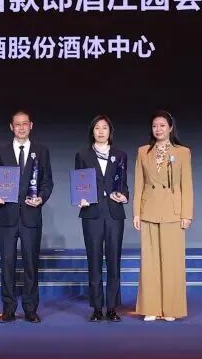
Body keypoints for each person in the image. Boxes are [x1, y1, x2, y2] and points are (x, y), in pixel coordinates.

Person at [0, 110, 54, 323]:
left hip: (31, 216)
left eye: (25, 124)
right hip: (7, 216)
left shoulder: (41, 151)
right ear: (11, 127)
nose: (22, 127)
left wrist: (41, 198)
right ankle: (8, 309)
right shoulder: (1, 150)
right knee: (7, 263)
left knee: (31, 264)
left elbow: (47, 181)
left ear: (31, 125)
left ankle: (30, 309)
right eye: (17, 124)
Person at [132, 110, 193, 321]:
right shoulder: (142, 152)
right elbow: (139, 184)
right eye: (155, 126)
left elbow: (187, 185)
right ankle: (151, 308)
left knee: (172, 261)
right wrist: (136, 213)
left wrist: (187, 214)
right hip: (149, 210)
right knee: (149, 262)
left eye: (162, 125)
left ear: (170, 128)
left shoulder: (182, 152)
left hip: (173, 212)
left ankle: (171, 309)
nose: (158, 129)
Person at [75, 114, 129, 322]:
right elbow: (79, 182)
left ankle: (112, 308)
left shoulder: (120, 154)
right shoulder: (82, 155)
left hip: (114, 213)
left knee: (114, 261)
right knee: (94, 260)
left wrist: (124, 196)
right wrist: (80, 198)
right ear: (92, 131)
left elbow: (123, 183)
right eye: (97, 128)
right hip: (92, 213)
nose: (100, 131)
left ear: (110, 131)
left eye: (104, 127)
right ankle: (97, 308)